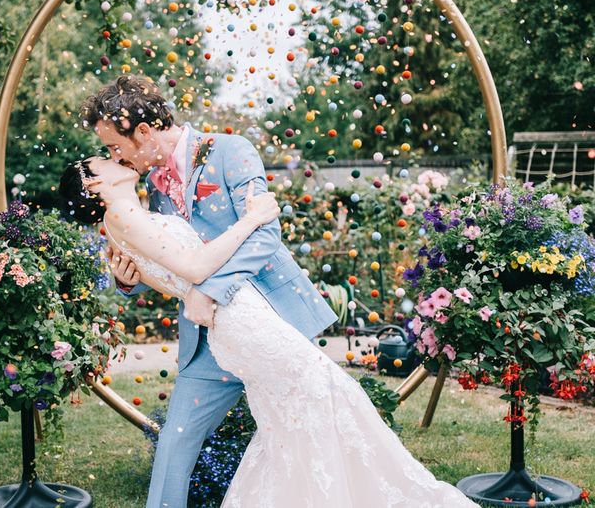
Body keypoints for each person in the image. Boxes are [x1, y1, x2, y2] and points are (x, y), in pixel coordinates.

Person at [59, 75, 479, 508]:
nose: (117, 156)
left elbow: (264, 234)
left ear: (143, 131)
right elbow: (164, 261)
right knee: (175, 443)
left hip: (263, 321)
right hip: (206, 343)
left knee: (306, 425)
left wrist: (213, 291)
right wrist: (128, 280)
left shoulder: (229, 151)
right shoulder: (145, 188)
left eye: (116, 146)